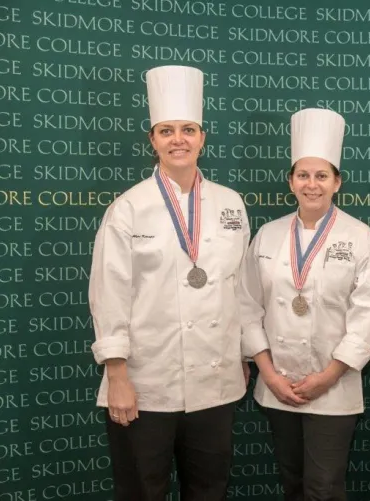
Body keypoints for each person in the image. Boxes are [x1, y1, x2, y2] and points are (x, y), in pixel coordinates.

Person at [89, 65, 251, 501]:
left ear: (202, 137)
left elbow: (241, 289)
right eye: (166, 131)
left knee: (209, 489)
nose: (177, 139)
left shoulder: (230, 203)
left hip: (215, 383)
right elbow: (109, 294)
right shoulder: (129, 207)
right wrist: (117, 375)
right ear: (153, 141)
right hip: (145, 384)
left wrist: (243, 352)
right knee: (143, 490)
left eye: (187, 129)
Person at [240, 108, 370, 501]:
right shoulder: (267, 236)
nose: (312, 184)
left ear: (337, 181)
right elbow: (248, 306)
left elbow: (368, 314)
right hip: (278, 385)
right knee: (292, 484)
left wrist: (328, 376)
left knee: (323, 488)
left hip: (332, 388)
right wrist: (268, 373)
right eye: (303, 175)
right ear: (290, 181)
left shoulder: (360, 236)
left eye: (321, 175)